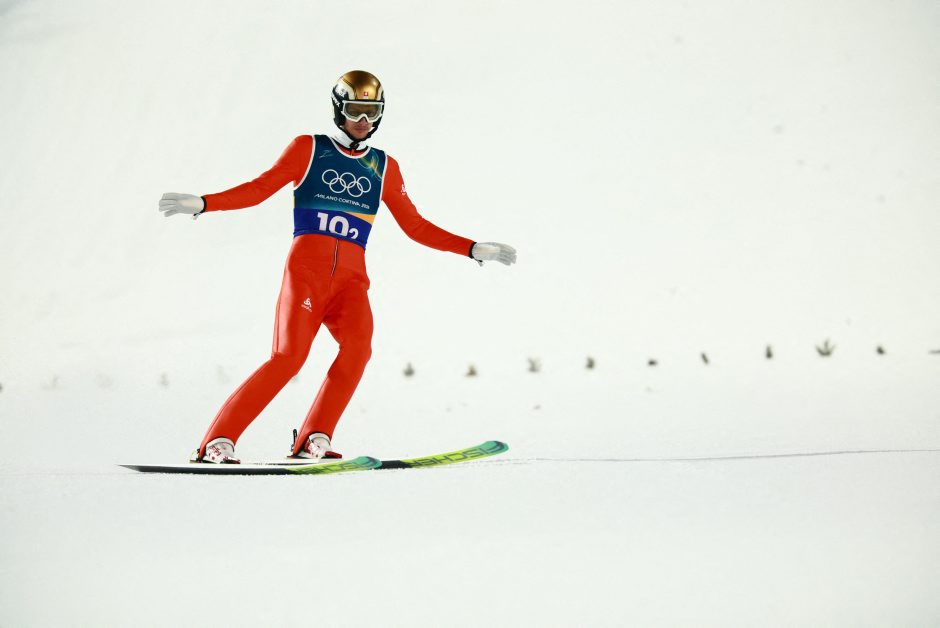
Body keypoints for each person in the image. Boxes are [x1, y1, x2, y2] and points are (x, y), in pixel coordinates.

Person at [159, 70, 516, 464]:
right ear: (338, 109)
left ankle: (315, 436)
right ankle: (217, 441)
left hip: (350, 282)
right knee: (288, 358)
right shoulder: (308, 149)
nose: (363, 121)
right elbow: (260, 188)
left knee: (358, 350)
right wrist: (205, 203)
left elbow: (415, 226)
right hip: (306, 275)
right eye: (355, 110)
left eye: (371, 112)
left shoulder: (384, 166)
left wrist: (471, 248)